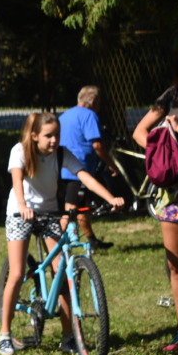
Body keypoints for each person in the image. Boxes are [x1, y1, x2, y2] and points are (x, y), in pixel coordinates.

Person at [0, 113, 125, 355]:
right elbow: (17, 179)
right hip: (20, 213)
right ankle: (4, 334)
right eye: (48, 136)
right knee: (16, 272)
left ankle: (68, 337)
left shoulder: (61, 153)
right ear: (34, 136)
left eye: (57, 134)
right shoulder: (20, 150)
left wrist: (110, 198)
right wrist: (23, 205)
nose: (54, 140)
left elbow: (85, 177)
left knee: (63, 272)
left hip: (49, 212)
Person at [133, 42, 178, 352]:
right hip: (174, 192)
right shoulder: (171, 97)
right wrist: (161, 149)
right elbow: (140, 131)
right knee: (177, 264)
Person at [59, 86, 120, 249]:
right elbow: (97, 145)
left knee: (81, 207)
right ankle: (56, 246)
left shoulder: (65, 115)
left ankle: (92, 240)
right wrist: (111, 164)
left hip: (61, 169)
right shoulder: (89, 115)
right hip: (78, 171)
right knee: (71, 209)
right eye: (99, 102)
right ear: (93, 101)